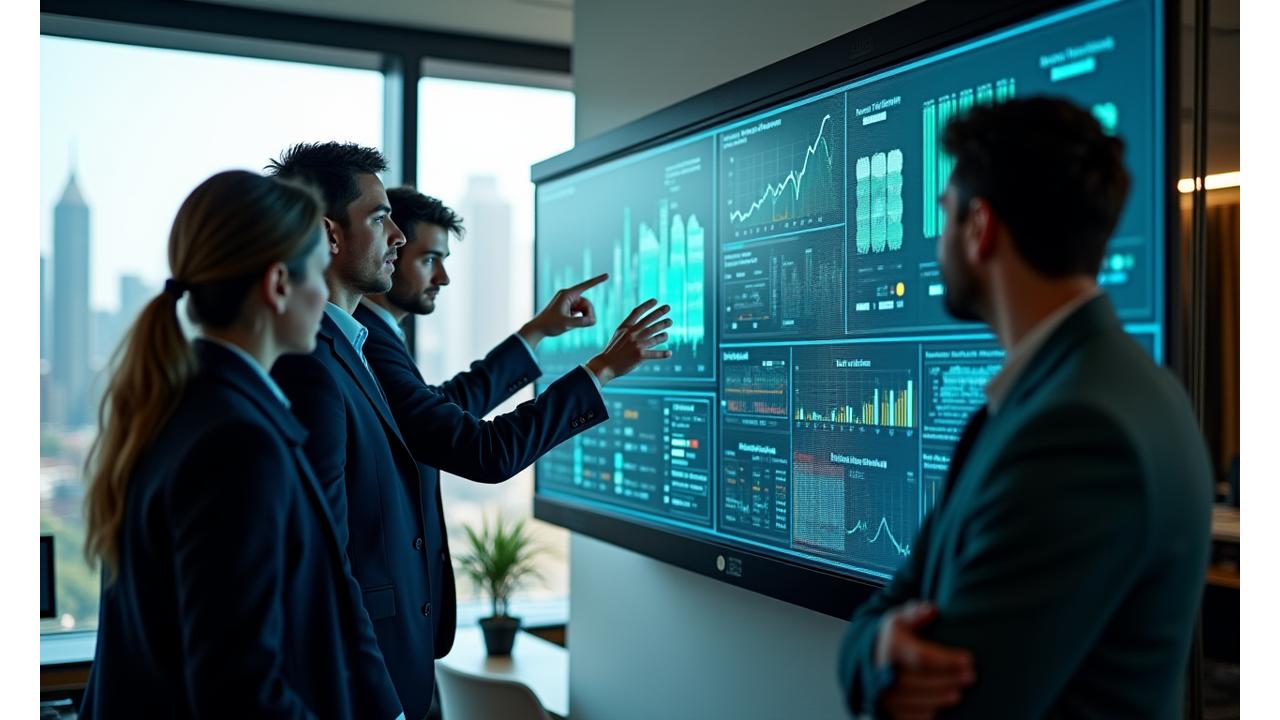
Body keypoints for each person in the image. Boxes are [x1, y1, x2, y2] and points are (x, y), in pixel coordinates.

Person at [266, 143, 671, 720]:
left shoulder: (356, 345)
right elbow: (333, 568)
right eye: (383, 222)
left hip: (397, 662)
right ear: (332, 235)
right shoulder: (328, 357)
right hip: (371, 684)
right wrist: (600, 370)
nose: (400, 240)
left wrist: (533, 335)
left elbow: (437, 414)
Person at [837, 97, 1213, 719]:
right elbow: (890, 605)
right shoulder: (1056, 396)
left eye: (945, 217)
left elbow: (955, 705)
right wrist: (874, 643)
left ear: (980, 229)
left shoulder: (1079, 430)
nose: (937, 246)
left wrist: (871, 659)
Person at [79, 170, 401, 719]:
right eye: (316, 273)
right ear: (279, 285)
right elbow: (240, 689)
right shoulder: (239, 443)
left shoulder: (178, 407)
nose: (326, 293)